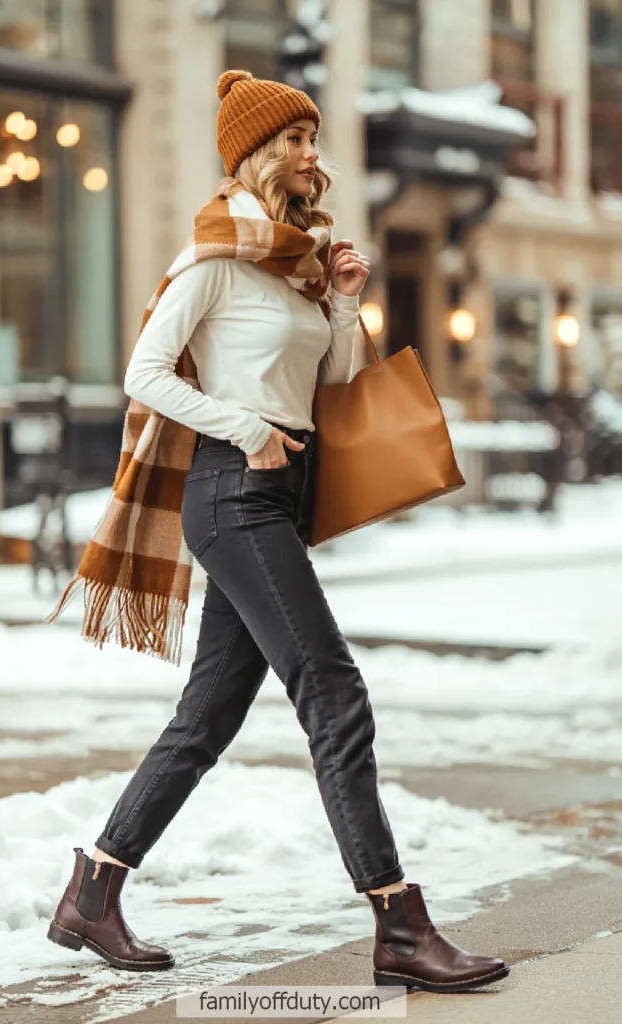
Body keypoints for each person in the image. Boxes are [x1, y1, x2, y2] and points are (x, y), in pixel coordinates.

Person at [47, 69, 509, 993]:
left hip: (279, 498)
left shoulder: (301, 263)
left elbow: (331, 386)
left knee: (208, 716)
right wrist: (245, 427)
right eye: (293, 140)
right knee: (334, 693)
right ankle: (396, 924)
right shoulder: (212, 259)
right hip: (231, 496)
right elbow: (144, 372)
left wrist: (340, 300)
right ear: (256, 155)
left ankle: (93, 891)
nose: (311, 154)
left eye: (311, 138)